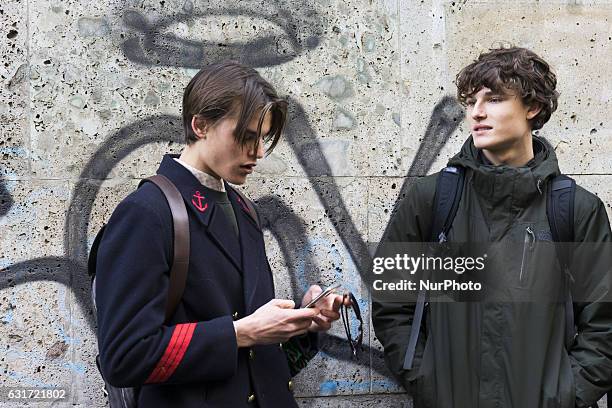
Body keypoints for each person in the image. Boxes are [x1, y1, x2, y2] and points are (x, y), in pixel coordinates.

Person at [95, 60, 345, 407]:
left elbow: (255, 367)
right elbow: (123, 356)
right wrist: (240, 332)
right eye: (245, 137)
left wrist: (304, 323)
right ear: (200, 125)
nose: (257, 153)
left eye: (263, 138)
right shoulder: (147, 212)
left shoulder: (244, 210)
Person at [372, 47, 612, 408]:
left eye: (495, 99)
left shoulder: (576, 209)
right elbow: (393, 303)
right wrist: (432, 385)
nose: (477, 113)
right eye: (471, 102)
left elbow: (604, 325)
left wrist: (564, 396)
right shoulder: (433, 198)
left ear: (532, 108)